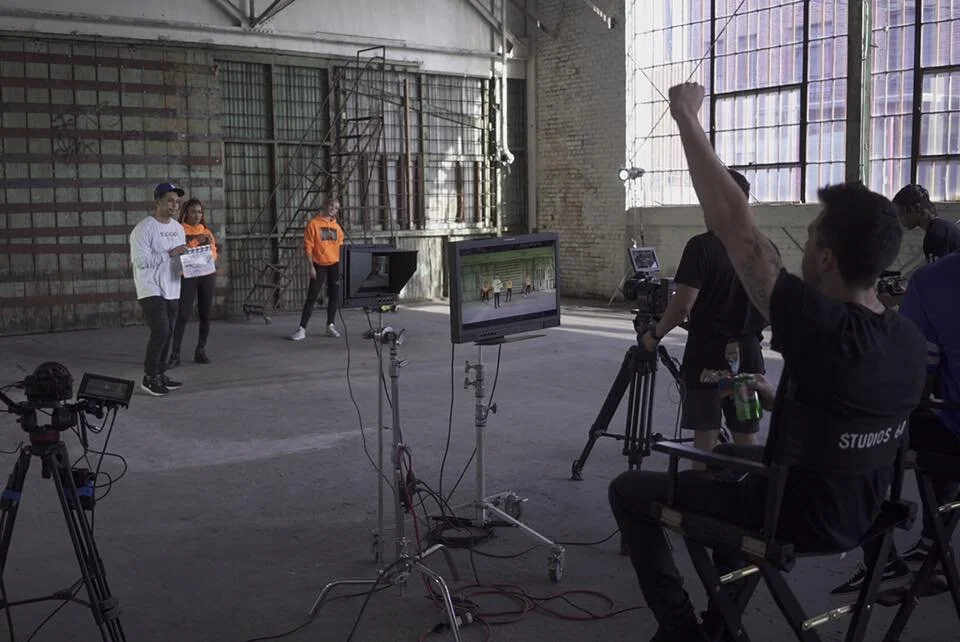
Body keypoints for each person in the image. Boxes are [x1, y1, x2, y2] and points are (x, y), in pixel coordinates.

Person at [608, 82, 927, 642]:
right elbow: (853, 414)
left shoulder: (821, 327)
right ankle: (721, 619)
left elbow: (739, 233)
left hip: (795, 514)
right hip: (866, 509)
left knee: (630, 490)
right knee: (732, 451)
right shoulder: (904, 340)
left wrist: (686, 117)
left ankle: (686, 631)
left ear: (826, 258)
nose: (798, 255)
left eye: (806, 244)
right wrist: (779, 397)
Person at [831, 250, 960, 594]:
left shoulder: (934, 279)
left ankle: (882, 558)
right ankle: (934, 541)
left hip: (952, 426)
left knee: (851, 438)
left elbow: (921, 374)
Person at [641, 169, 770, 457]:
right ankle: (748, 494)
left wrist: (654, 334)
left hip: (706, 361)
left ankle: (703, 498)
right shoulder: (764, 248)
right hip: (748, 357)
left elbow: (683, 305)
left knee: (706, 442)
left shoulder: (701, 247)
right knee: (745, 437)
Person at [130, 183, 188, 397]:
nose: (175, 204)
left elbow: (179, 257)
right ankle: (149, 376)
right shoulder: (144, 229)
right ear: (158, 202)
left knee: (169, 333)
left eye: (177, 201)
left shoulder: (178, 228)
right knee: (161, 331)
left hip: (172, 286)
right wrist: (170, 253)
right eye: (170, 200)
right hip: (150, 287)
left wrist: (193, 261)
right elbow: (140, 261)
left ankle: (160, 374)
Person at [169, 198, 218, 367]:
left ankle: (200, 351)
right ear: (185, 213)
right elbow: (175, 253)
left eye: (199, 212)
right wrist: (197, 243)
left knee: (205, 314)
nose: (197, 215)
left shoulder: (207, 232)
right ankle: (175, 354)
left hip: (206, 275)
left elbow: (214, 254)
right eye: (193, 211)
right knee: (183, 315)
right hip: (187, 276)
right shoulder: (178, 231)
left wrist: (209, 248)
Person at [290, 198, 344, 341]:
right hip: (319, 264)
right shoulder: (313, 223)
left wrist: (341, 266)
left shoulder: (337, 227)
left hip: (334, 264)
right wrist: (311, 266)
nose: (333, 209)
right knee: (312, 297)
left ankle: (330, 326)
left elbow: (340, 246)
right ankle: (302, 329)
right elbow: (308, 246)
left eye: (337, 208)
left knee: (334, 296)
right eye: (332, 205)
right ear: (326, 206)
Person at [893, 183, 960, 264]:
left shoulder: (935, 236)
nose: (900, 219)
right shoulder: (942, 229)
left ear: (917, 207)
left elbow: (939, 274)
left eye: (901, 213)